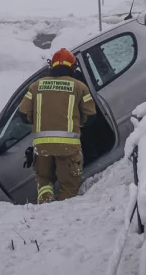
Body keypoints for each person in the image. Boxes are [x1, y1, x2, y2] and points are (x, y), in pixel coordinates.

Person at [18, 48, 96, 203]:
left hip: (42, 146)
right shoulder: (80, 87)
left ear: (51, 67)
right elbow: (91, 116)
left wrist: (40, 121)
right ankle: (63, 215)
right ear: (73, 68)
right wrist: (77, 123)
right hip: (68, 147)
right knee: (69, 186)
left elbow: (22, 114)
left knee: (44, 181)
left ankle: (45, 208)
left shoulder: (35, 86)